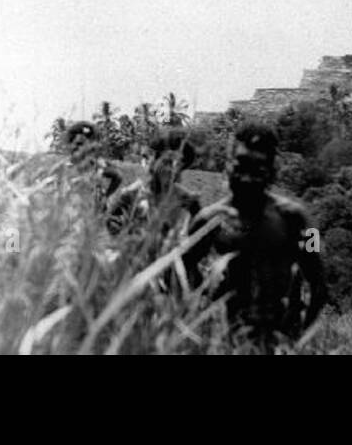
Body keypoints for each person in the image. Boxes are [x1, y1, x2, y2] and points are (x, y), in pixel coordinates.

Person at [184, 122, 327, 351]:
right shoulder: (208, 220)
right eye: (241, 165)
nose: (247, 178)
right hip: (227, 341)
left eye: (257, 168)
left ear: (272, 170)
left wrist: (301, 340)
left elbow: (319, 285)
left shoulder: (300, 220)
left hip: (280, 340)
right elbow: (182, 270)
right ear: (228, 166)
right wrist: (205, 304)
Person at [107, 127, 201, 237]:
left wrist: (184, 233)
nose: (172, 170)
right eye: (167, 162)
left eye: (179, 165)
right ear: (155, 162)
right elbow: (111, 222)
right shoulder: (133, 192)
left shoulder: (182, 195)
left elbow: (199, 220)